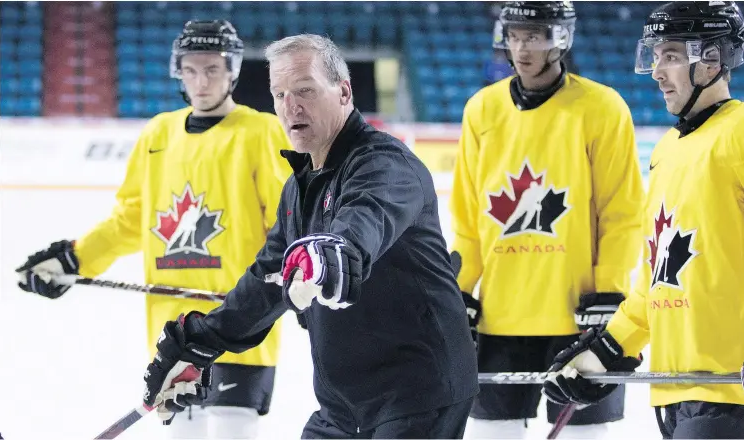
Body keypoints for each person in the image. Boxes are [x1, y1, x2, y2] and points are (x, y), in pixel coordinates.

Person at [138, 33, 480, 439]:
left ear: (343, 91)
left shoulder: (386, 165)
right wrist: (199, 342)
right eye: (279, 94)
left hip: (417, 395)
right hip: (342, 404)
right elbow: (267, 279)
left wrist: (330, 252)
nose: (290, 107)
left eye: (304, 90)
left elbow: (365, 220)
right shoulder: (299, 186)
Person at [15, 20, 292, 439]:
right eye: (191, 68)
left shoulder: (261, 132)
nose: (201, 80)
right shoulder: (157, 134)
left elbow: (285, 223)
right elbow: (131, 221)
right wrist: (73, 258)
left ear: (232, 70)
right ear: (177, 70)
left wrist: (294, 278)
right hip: (173, 332)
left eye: (212, 69)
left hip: (240, 324)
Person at [543, 2, 744, 438]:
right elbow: (658, 278)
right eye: (654, 56)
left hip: (729, 392)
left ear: (711, 60)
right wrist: (607, 351)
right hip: (676, 391)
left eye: (670, 55)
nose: (656, 71)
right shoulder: (668, 149)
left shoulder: (740, 134)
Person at [451, 2, 645, 438]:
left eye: (535, 36)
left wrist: (609, 290)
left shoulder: (601, 108)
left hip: (581, 320)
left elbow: (623, 212)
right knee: (489, 431)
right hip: (500, 320)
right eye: (515, 35)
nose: (522, 47)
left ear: (561, 38)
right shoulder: (481, 110)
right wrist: (460, 288)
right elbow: (467, 220)